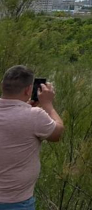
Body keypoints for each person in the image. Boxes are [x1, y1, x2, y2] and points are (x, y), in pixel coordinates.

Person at [0, 66, 64, 210]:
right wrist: (48, 104)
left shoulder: (31, 115)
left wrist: (25, 107)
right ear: (29, 90)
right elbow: (57, 133)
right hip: (15, 202)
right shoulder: (34, 116)